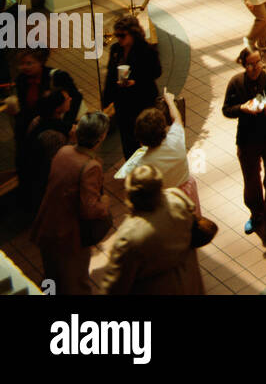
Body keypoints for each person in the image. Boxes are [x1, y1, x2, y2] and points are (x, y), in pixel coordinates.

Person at [32, 111, 112, 294]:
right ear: (101, 137)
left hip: (47, 225)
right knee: (75, 282)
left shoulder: (63, 152)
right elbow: (89, 209)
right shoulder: (91, 166)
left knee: (51, 279)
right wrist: (105, 203)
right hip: (68, 236)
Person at [221, 47, 266, 247]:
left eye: (257, 62)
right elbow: (226, 110)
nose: (255, 68)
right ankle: (256, 214)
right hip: (247, 139)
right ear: (243, 65)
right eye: (250, 64)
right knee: (251, 180)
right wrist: (242, 108)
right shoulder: (236, 83)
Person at [99, 164, 206, 295]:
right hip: (189, 283)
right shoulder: (177, 199)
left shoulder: (129, 236)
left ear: (129, 195)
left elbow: (115, 286)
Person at [102, 16, 162, 161]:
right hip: (123, 102)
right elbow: (110, 75)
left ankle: (148, 164)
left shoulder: (146, 50)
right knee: (127, 138)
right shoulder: (116, 50)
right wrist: (106, 101)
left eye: (122, 35)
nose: (119, 39)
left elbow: (156, 72)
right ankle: (132, 166)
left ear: (133, 33)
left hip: (142, 100)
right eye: (117, 35)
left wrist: (136, 81)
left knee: (145, 135)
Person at [130, 90, 199, 211]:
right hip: (187, 192)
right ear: (163, 129)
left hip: (164, 203)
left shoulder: (142, 164)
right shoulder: (176, 139)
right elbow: (177, 118)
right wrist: (170, 101)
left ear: (140, 138)